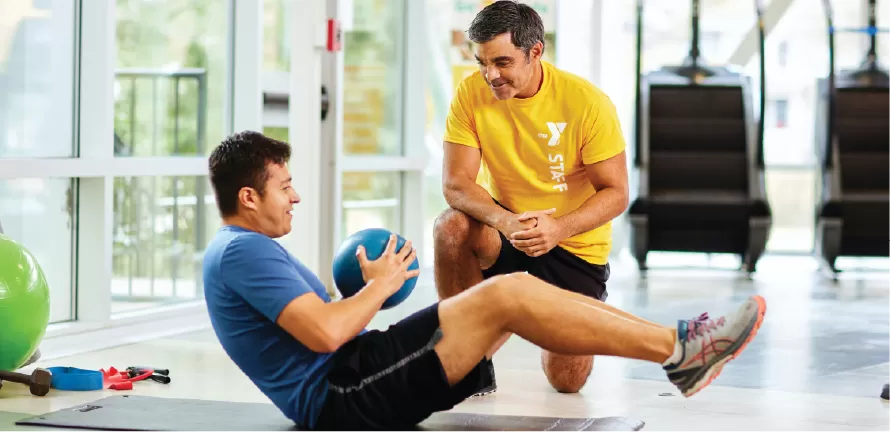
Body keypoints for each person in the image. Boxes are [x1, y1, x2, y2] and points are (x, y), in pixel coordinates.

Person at [202, 131, 767, 432]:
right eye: (285, 186)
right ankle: (681, 350)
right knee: (506, 293)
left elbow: (319, 327)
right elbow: (325, 337)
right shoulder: (242, 253)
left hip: (355, 369)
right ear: (249, 197)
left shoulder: (244, 251)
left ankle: (680, 346)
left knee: (511, 292)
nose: (295, 196)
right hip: (341, 395)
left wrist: (359, 296)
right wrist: (379, 285)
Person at [435, 1, 630, 394]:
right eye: (482, 63)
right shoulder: (471, 93)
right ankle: (471, 350)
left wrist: (559, 228)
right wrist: (504, 221)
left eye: (503, 62)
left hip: (573, 244)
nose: (491, 75)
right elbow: (456, 183)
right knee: (451, 226)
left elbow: (617, 192)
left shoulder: (587, 103)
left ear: (535, 51)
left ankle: (513, 315)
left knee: (567, 382)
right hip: (507, 230)